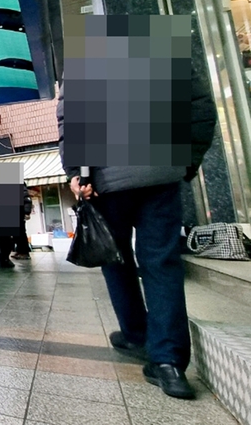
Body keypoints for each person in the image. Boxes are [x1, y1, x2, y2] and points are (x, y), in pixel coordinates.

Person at [57, 70, 216, 400]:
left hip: (106, 179)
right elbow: (200, 108)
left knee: (113, 257)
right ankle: (169, 363)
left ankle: (135, 333)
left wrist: (77, 172)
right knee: (162, 264)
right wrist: (187, 162)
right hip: (162, 171)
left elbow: (71, 119)